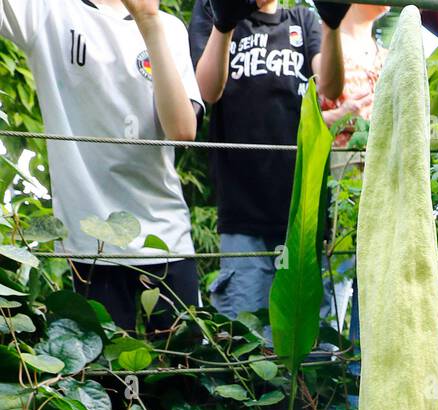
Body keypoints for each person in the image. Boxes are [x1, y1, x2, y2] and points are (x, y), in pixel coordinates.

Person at [0, 0, 203, 331]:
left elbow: (182, 131)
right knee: (105, 381)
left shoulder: (169, 27)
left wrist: (148, 22)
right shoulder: (47, 11)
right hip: (89, 245)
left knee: (184, 373)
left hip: (166, 237)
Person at [189, 0, 346, 328]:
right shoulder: (215, 8)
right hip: (243, 215)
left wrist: (331, 25)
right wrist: (224, 24)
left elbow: (330, 88)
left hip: (299, 214)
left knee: (302, 345)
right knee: (247, 342)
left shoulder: (302, 19)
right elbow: (207, 90)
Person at [319, 3, 388, 346]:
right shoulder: (328, 45)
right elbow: (308, 119)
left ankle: (363, 373)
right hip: (342, 171)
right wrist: (345, 116)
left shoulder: (385, 51)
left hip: (382, 173)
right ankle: (327, 380)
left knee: (376, 274)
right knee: (340, 273)